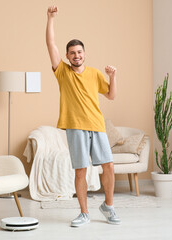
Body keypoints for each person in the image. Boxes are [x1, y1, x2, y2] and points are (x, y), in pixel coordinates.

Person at [46, 6, 121, 227]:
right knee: (81, 170)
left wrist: (113, 76)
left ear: (84, 54)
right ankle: (84, 212)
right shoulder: (62, 72)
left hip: (97, 125)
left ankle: (108, 206)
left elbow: (111, 95)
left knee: (108, 166)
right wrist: (50, 19)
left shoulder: (95, 73)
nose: (76, 55)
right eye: (72, 53)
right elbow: (51, 44)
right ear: (68, 56)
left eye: (79, 52)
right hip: (75, 126)